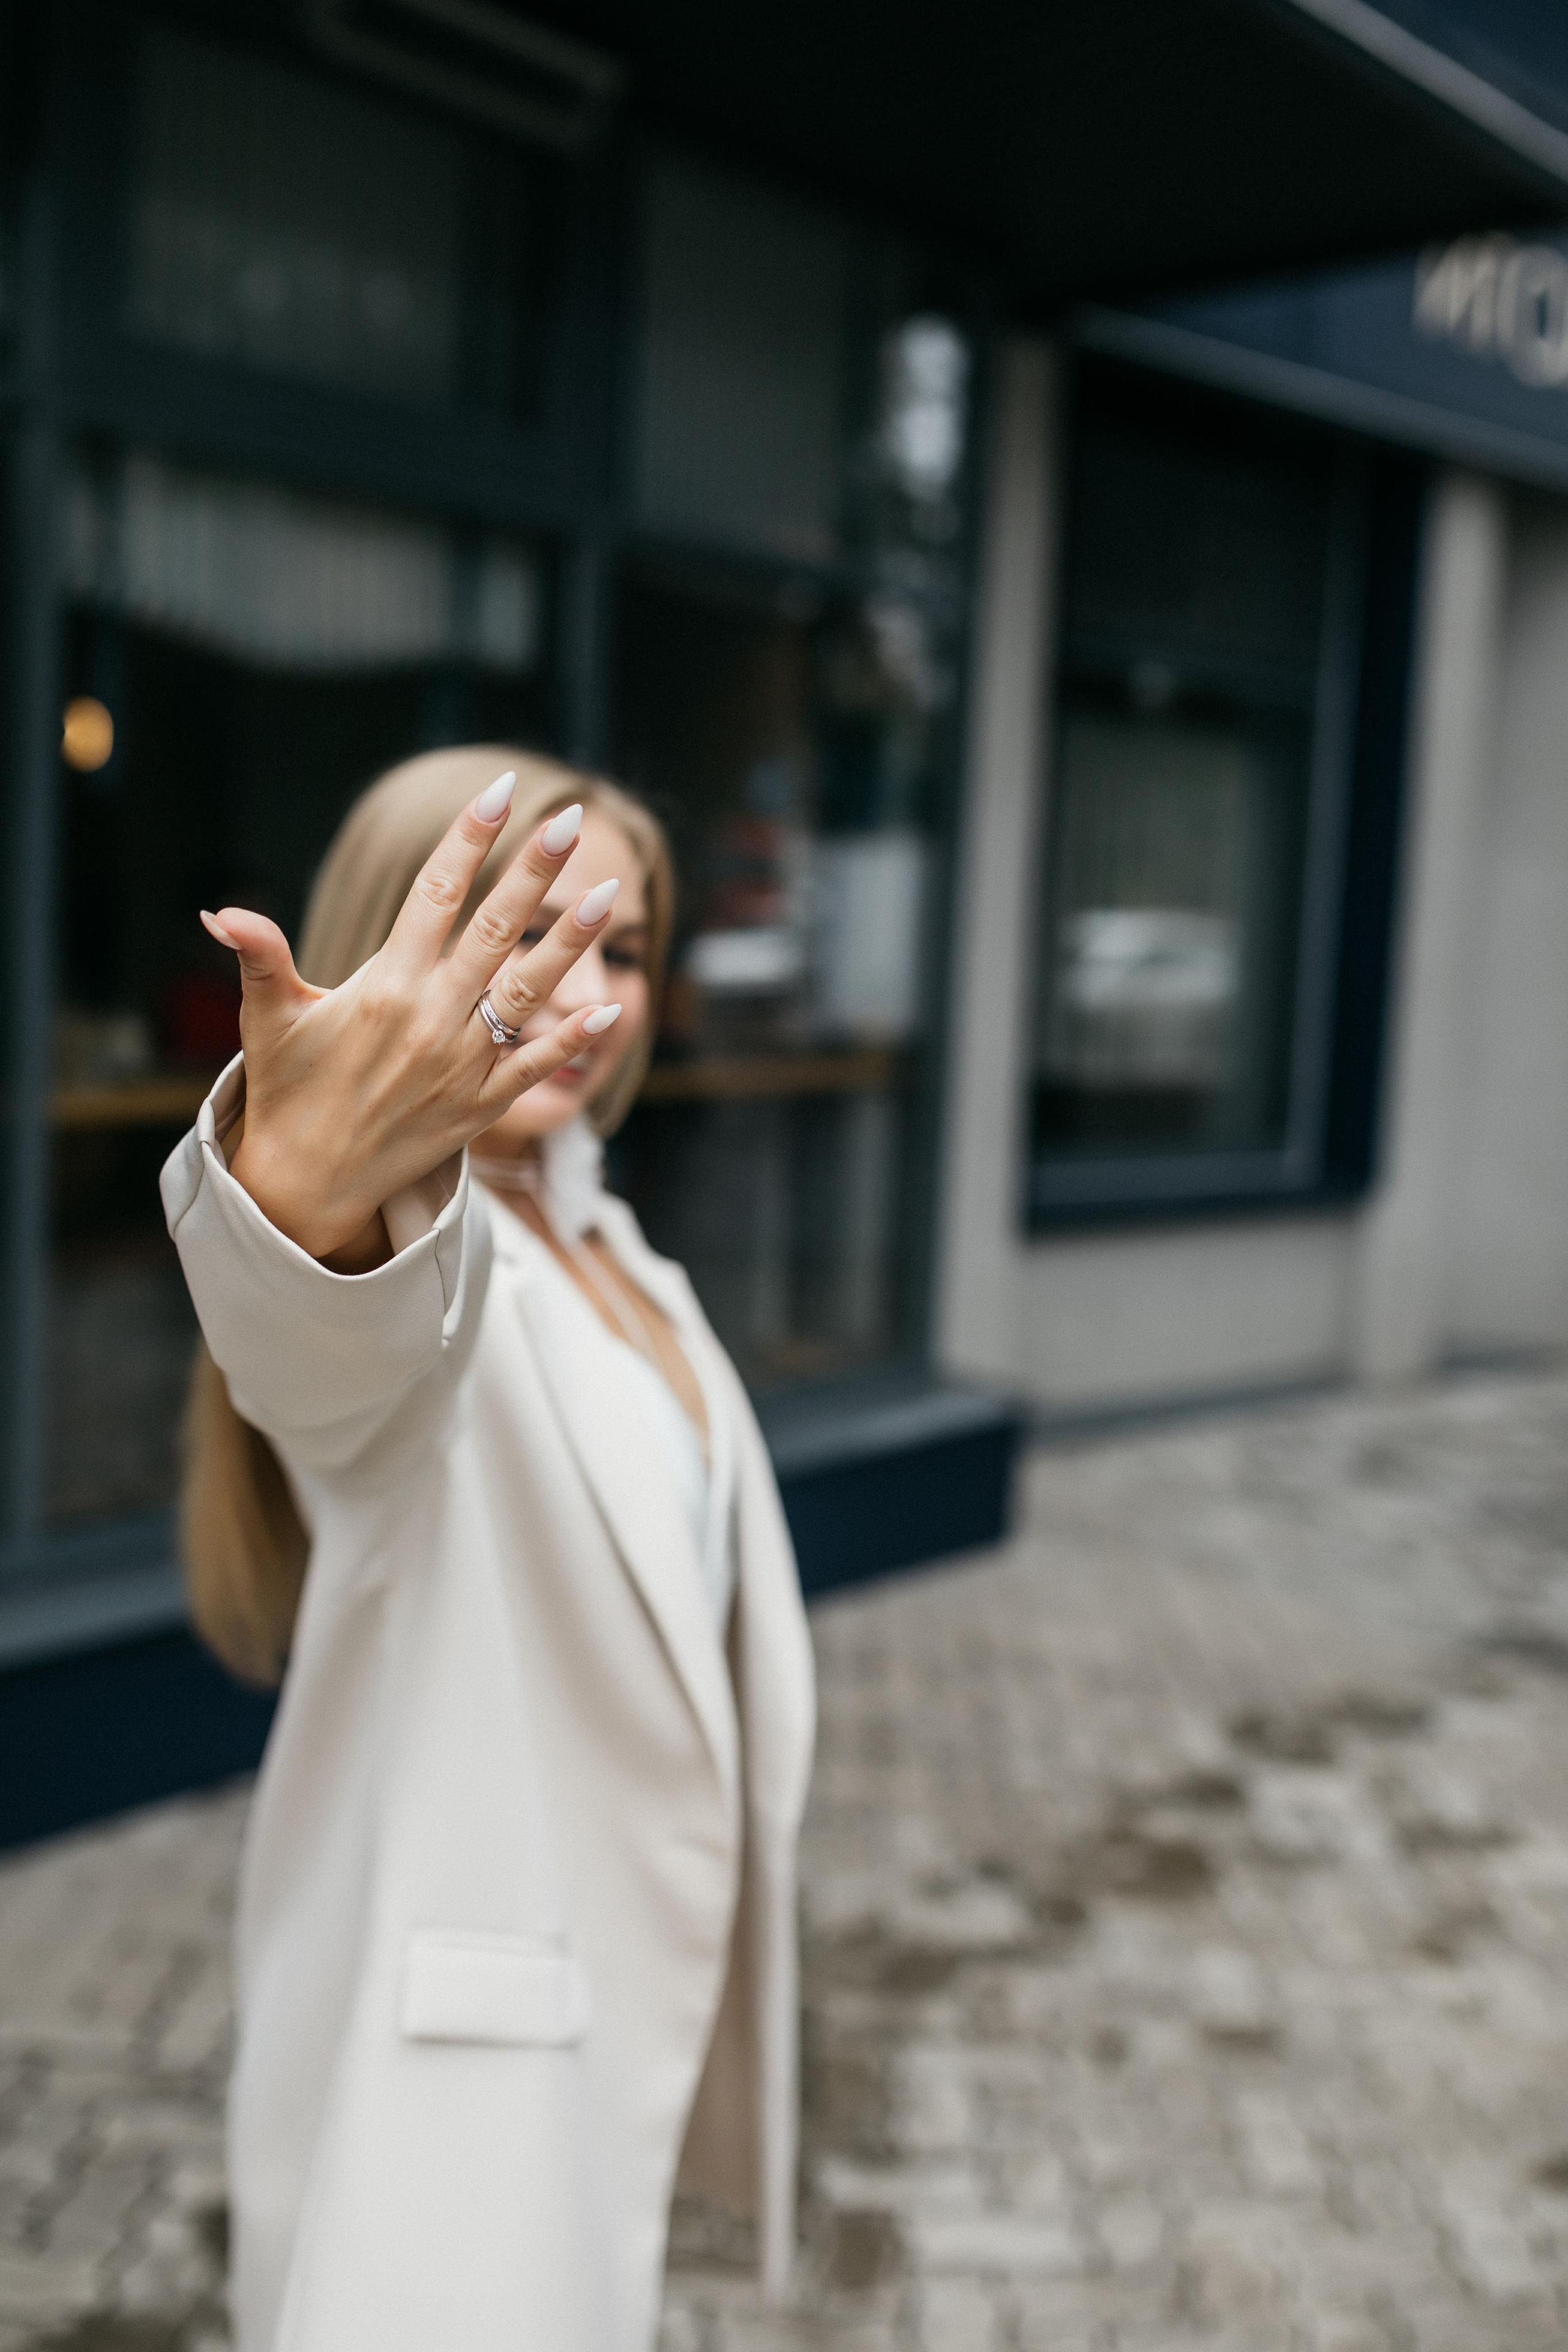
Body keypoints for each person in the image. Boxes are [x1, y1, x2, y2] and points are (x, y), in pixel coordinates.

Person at [160, 745, 816, 2352]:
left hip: (606, 2063)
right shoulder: (424, 1261)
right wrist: (301, 1188)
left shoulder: (613, 1247)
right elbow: (342, 1356)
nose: (586, 996)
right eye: (530, 933)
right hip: (451, 2141)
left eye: (627, 945)